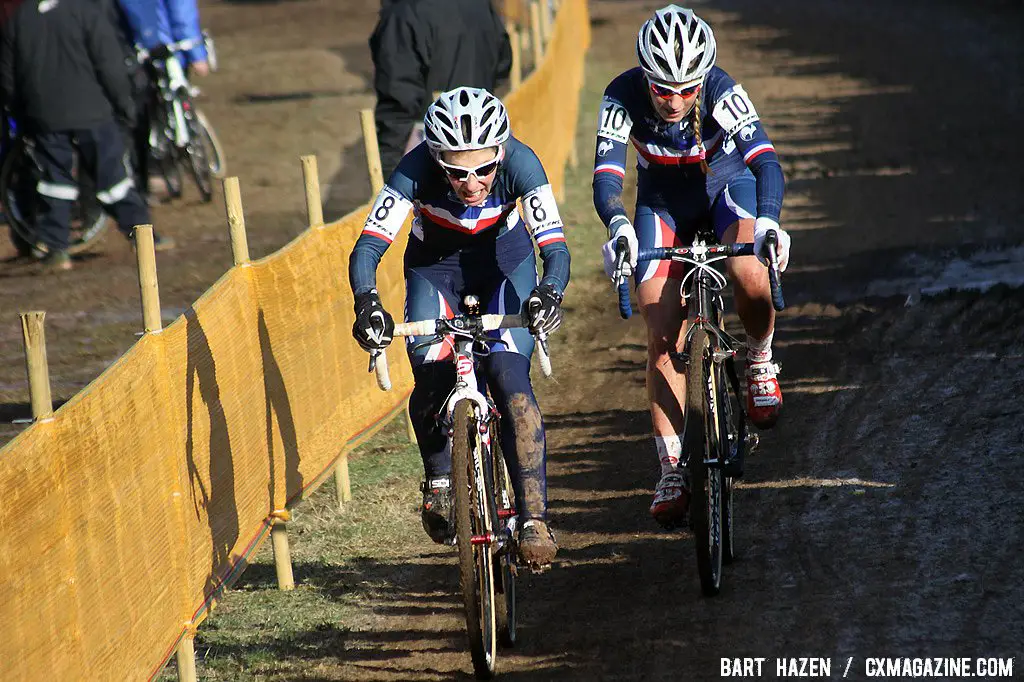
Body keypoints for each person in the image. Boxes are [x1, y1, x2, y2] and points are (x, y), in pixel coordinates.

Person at [349, 87, 570, 568]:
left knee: (511, 383)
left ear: (501, 153)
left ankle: (533, 518)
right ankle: (439, 478)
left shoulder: (522, 165)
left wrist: (548, 293)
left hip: (505, 271)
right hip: (435, 271)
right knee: (430, 375)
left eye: (483, 168)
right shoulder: (413, 170)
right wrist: (366, 303)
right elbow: (367, 248)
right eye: (456, 170)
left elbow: (555, 249)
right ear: (435, 158)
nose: (471, 183)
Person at [591, 5, 792, 527]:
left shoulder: (723, 90)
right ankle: (672, 466)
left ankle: (759, 356)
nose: (676, 100)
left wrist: (768, 222)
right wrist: (616, 224)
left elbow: (766, 163)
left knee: (750, 271)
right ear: (644, 76)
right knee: (660, 333)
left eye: (687, 88)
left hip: (727, 188)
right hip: (661, 201)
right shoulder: (620, 95)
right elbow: (607, 177)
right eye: (663, 89)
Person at [0, 0, 173, 271]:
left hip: (44, 116)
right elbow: (109, 64)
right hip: (92, 112)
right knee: (113, 178)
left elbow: (7, 76)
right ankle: (143, 235)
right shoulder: (84, 11)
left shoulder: (21, 19)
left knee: (54, 183)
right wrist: (123, 105)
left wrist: (24, 116)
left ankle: (57, 250)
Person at [369, 0, 512, 179]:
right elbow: (502, 66)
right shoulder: (481, 4)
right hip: (484, 145)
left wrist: (390, 171)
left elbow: (398, 102)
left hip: (433, 149)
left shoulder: (403, 14)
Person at [115, 0, 210, 202]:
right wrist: (196, 52)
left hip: (142, 50)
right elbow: (181, 11)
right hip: (161, 50)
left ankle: (157, 169)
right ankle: (160, 168)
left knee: (151, 110)